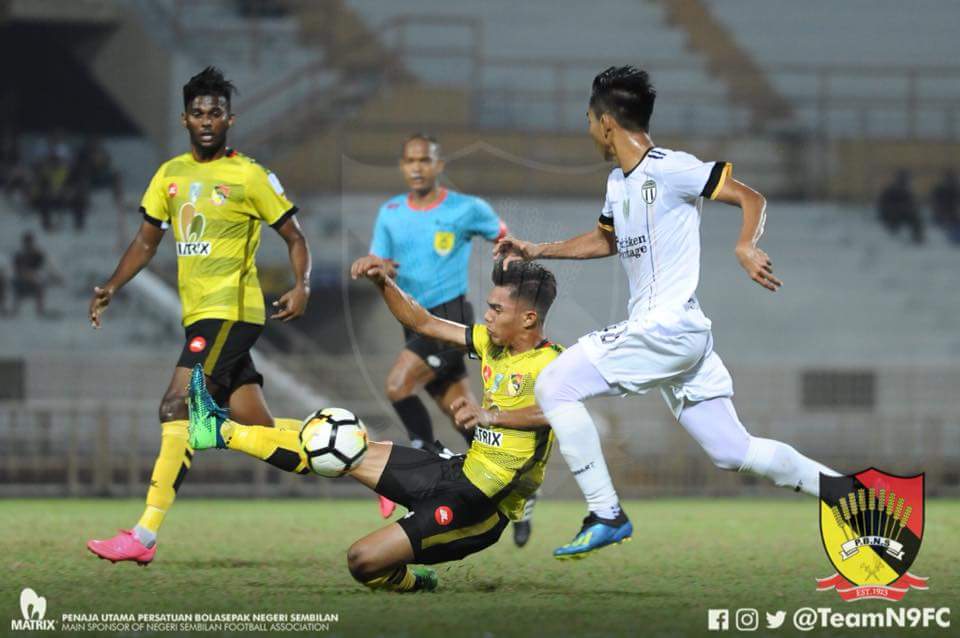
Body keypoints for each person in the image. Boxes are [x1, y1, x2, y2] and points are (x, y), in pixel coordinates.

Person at [495, 65, 839, 559]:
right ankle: (849, 495)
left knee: (555, 385)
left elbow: (750, 197)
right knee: (731, 450)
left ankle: (606, 513)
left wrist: (744, 245)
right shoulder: (619, 182)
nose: (590, 130)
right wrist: (536, 248)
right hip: (675, 334)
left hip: (667, 326)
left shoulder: (669, 167)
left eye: (590, 121)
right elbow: (603, 240)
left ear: (607, 123)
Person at [186, 258, 561, 590]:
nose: (487, 316)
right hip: (454, 471)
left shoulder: (554, 365)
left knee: (361, 561)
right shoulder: (491, 343)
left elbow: (556, 413)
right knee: (335, 443)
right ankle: (220, 431)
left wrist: (489, 416)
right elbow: (423, 321)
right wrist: (383, 282)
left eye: (496, 309)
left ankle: (414, 580)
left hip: (480, 508)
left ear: (528, 318)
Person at [86, 67, 312, 565]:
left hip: (231, 312)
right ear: (185, 119)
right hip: (200, 318)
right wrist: (111, 285)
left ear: (229, 119)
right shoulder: (169, 176)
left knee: (176, 407)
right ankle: (365, 459)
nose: (206, 120)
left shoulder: (249, 175)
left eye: (215, 113)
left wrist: (301, 285)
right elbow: (147, 241)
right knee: (263, 431)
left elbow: (294, 236)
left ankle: (144, 536)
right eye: (198, 113)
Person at [353, 134, 535, 544]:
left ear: (438, 165)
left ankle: (425, 452)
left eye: (424, 160)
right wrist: (376, 266)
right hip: (413, 323)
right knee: (463, 416)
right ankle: (519, 495)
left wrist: (507, 257)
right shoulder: (391, 212)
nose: (417, 167)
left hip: (449, 319)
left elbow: (501, 233)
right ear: (403, 166)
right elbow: (382, 260)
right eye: (410, 160)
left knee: (397, 385)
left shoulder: (465, 208)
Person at [877, 170, 924, 244]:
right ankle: (893, 233)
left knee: (916, 219)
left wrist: (911, 208)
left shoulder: (907, 191)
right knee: (896, 218)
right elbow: (883, 204)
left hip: (903, 214)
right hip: (891, 214)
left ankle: (918, 238)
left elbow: (912, 204)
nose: (906, 183)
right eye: (904, 180)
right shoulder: (890, 190)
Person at [11, 232, 49, 316]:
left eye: (29, 242)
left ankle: (40, 310)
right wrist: (23, 273)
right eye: (26, 242)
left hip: (34, 280)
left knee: (39, 284)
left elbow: (42, 269)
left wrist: (32, 274)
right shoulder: (19, 255)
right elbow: (16, 270)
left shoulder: (38, 255)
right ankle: (15, 310)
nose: (28, 244)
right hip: (22, 281)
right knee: (16, 284)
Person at [930, 169, 960, 243]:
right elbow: (935, 204)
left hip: (953, 213)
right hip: (942, 214)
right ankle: (953, 237)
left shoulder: (956, 189)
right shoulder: (939, 190)